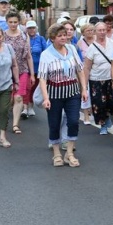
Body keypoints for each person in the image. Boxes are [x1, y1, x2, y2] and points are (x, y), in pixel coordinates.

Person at [38, 24, 89, 167]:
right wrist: (46, 98)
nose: (63, 38)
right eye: (59, 36)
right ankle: (56, 153)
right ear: (53, 38)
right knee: (54, 123)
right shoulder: (46, 55)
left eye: (64, 35)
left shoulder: (72, 49)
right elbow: (42, 78)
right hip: (54, 93)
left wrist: (84, 89)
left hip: (72, 91)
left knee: (73, 121)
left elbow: (80, 70)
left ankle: (69, 153)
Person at [83, 22, 113, 135]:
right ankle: (103, 124)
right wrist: (85, 85)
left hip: (110, 78)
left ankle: (107, 118)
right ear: (95, 32)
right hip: (96, 79)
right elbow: (87, 67)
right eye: (99, 30)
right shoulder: (92, 48)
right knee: (99, 103)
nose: (102, 32)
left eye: (104, 30)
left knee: (110, 102)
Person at [4, 12, 35, 134]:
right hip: (6, 71)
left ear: (19, 22)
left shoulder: (24, 35)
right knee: (9, 99)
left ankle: (15, 124)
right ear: (7, 22)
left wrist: (32, 74)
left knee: (18, 97)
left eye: (15, 22)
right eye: (10, 22)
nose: (13, 24)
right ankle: (4, 113)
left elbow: (28, 56)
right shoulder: (3, 36)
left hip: (22, 70)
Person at [24, 20, 46, 117]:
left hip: (38, 68)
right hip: (25, 68)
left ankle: (30, 106)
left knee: (33, 88)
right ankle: (25, 108)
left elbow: (46, 52)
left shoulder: (41, 39)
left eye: (33, 28)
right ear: (26, 29)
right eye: (29, 28)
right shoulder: (24, 38)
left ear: (36, 28)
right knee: (26, 87)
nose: (31, 30)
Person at [77, 23, 96, 124]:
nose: (90, 32)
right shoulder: (80, 43)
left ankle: (93, 112)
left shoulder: (97, 40)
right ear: (83, 32)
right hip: (85, 70)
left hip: (97, 70)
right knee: (86, 92)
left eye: (92, 30)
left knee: (95, 93)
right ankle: (86, 116)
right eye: (88, 30)